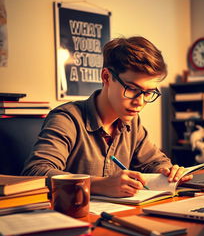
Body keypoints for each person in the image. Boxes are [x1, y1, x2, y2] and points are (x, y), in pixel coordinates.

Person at [22, 36, 192, 197]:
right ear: (106, 77)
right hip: (71, 217)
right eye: (132, 89)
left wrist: (169, 171)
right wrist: (99, 185)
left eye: (148, 93)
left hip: (116, 217)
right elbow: (35, 172)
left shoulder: (132, 121)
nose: (140, 102)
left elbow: (155, 162)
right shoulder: (67, 119)